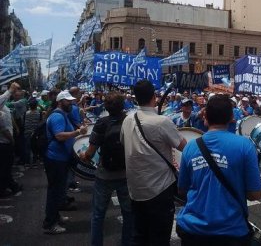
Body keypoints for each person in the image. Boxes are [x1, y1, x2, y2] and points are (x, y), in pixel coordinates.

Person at [176, 95, 261, 246]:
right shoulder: (245, 146)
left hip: (193, 230)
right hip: (232, 231)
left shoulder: (190, 146)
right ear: (231, 118)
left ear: (205, 118)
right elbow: (255, 194)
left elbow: (182, 190)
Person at [121, 79, 187, 246]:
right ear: (154, 97)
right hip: (159, 189)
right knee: (159, 237)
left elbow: (124, 143)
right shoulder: (161, 122)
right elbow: (185, 147)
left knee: (140, 235)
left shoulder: (127, 119)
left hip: (135, 190)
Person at [80, 92, 133, 246]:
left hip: (105, 175)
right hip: (126, 174)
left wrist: (83, 155)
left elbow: (90, 153)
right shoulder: (130, 122)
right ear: (123, 105)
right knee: (129, 214)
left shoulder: (101, 123)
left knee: (98, 215)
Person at [43, 91, 88, 234]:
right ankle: (50, 224)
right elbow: (59, 136)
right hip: (55, 159)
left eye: (71, 100)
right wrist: (78, 133)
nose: (71, 103)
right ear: (60, 102)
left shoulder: (63, 114)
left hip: (61, 159)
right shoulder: (57, 116)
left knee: (58, 190)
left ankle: (55, 217)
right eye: (68, 101)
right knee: (54, 192)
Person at [0, 83, 23, 198]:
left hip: (7, 141)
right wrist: (10, 90)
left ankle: (12, 186)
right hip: (4, 142)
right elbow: (3, 129)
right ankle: (4, 189)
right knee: (5, 167)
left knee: (6, 167)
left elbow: (10, 118)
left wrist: (16, 128)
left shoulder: (4, 107)